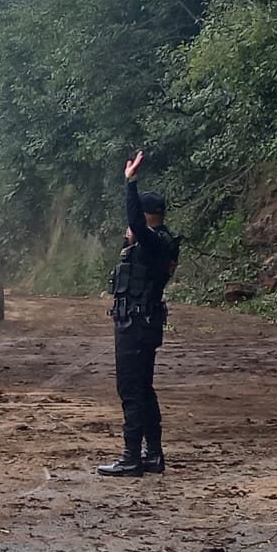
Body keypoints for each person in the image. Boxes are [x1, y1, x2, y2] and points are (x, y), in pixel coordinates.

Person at [98, 150, 179, 477]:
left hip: (135, 324)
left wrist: (130, 182)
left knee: (131, 389)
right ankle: (153, 454)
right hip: (144, 323)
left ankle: (132, 456)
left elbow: (134, 223)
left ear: (146, 217)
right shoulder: (160, 243)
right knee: (143, 388)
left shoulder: (151, 241)